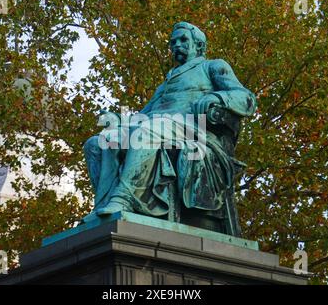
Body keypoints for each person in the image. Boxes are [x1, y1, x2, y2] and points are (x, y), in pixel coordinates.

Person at [83, 22, 257, 236]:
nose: (177, 45)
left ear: (199, 46)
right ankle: (104, 206)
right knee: (100, 141)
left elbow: (246, 98)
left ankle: (124, 198)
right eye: (173, 42)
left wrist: (217, 96)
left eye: (183, 40)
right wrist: (119, 120)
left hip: (195, 129)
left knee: (145, 132)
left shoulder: (212, 66)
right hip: (158, 125)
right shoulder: (166, 82)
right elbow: (144, 113)